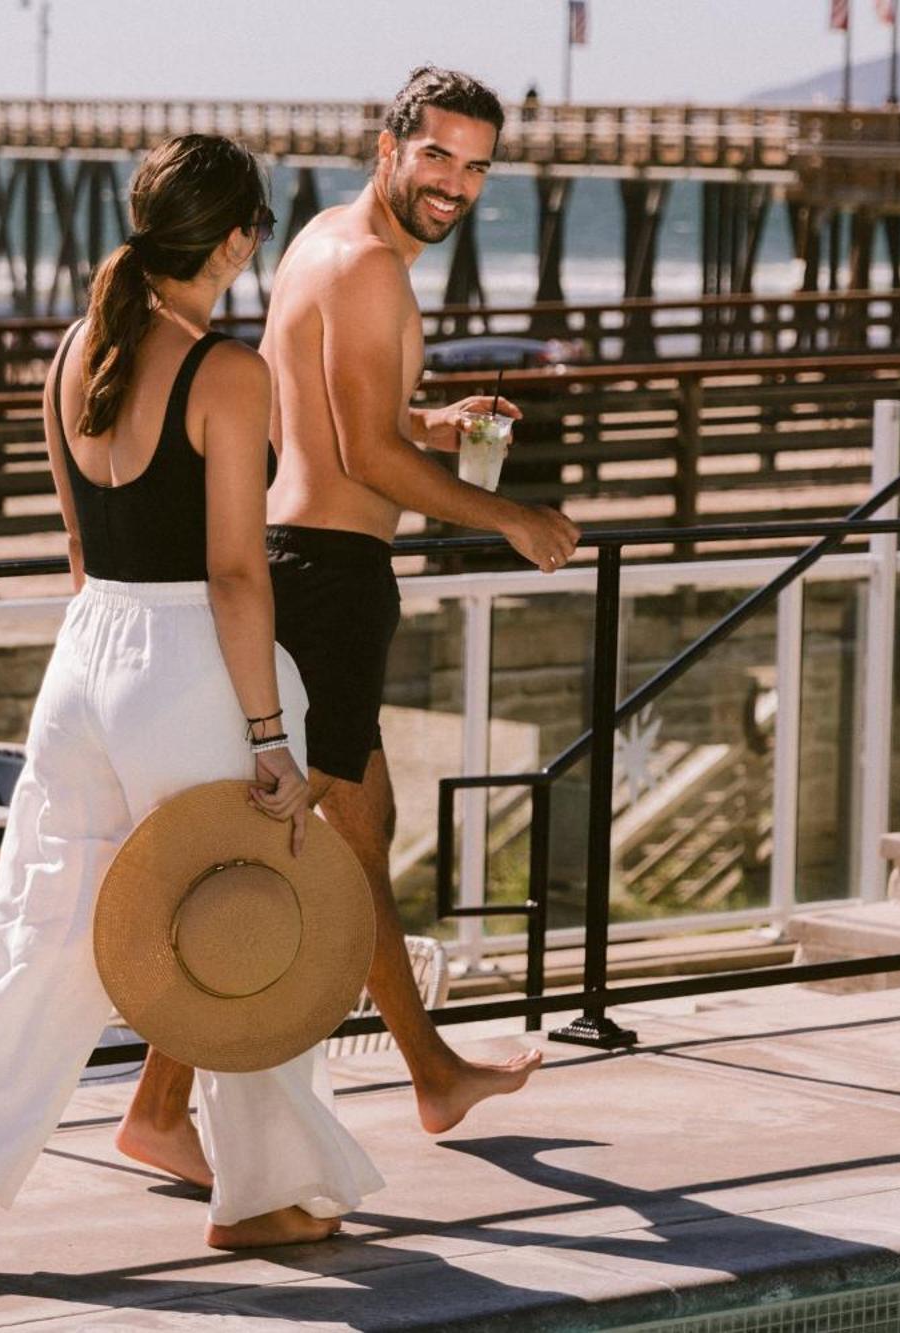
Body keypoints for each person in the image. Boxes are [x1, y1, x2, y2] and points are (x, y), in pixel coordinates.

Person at [0, 133, 383, 1267]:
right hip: (189, 660)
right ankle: (266, 1189)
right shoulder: (225, 372)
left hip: (86, 654)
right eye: (253, 233)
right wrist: (270, 736)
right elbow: (236, 573)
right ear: (233, 239)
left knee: (43, 922)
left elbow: (79, 550)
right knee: (248, 922)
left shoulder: (82, 347)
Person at [116, 66, 581, 1186]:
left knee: (357, 837)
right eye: (438, 157)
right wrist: (513, 518)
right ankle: (162, 1100)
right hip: (329, 580)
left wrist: (434, 415)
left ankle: (428, 1073)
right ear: (388, 146)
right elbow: (365, 460)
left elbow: (329, 413)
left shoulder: (324, 242)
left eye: (476, 166)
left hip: (306, 567)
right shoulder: (372, 270)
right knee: (273, 849)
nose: (456, 184)